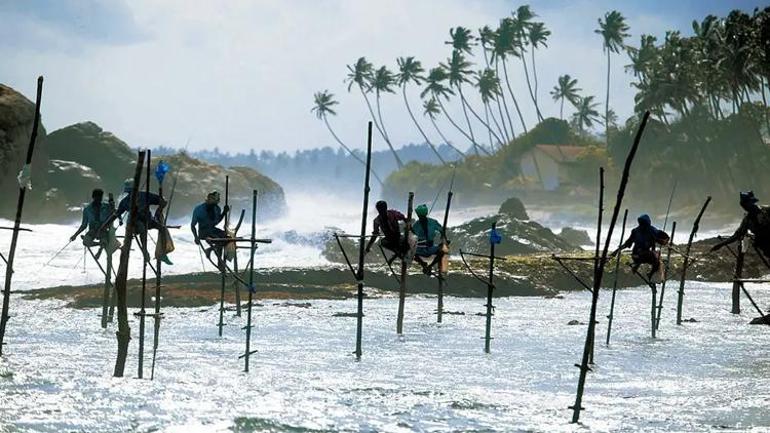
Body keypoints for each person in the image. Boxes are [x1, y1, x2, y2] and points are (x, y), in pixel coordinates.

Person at [114, 178, 174, 265]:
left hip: (148, 220)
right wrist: (120, 220)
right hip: (135, 225)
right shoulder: (125, 201)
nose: (131, 194)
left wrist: (159, 210)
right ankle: (145, 252)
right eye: (130, 192)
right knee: (142, 228)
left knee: (162, 228)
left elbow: (163, 201)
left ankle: (162, 254)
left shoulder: (145, 195)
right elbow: (118, 213)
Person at [711, 191, 770, 258]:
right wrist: (720, 244)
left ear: (752, 202)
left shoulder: (767, 210)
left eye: (746, 204)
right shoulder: (747, 221)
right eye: (744, 205)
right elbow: (736, 236)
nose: (745, 207)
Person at [611, 214, 670, 280]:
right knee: (656, 261)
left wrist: (616, 251)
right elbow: (665, 237)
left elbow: (627, 244)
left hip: (636, 256)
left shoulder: (636, 231)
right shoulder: (651, 230)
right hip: (642, 256)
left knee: (654, 260)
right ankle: (649, 274)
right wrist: (616, 251)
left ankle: (641, 267)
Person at [191, 191, 230, 259]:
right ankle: (211, 251)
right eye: (211, 200)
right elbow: (193, 225)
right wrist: (196, 237)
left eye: (215, 202)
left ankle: (214, 254)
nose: (214, 204)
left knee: (228, 238)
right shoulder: (199, 209)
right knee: (219, 240)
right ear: (208, 199)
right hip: (204, 232)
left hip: (213, 230)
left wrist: (224, 213)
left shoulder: (217, 208)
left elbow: (216, 222)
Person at [411, 204, 445, 275]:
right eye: (420, 217)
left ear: (425, 214)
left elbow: (441, 230)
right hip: (420, 249)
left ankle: (430, 266)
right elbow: (412, 235)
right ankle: (423, 264)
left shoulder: (432, 222)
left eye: (422, 216)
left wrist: (443, 237)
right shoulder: (416, 225)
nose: (421, 218)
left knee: (442, 251)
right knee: (410, 253)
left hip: (430, 247)